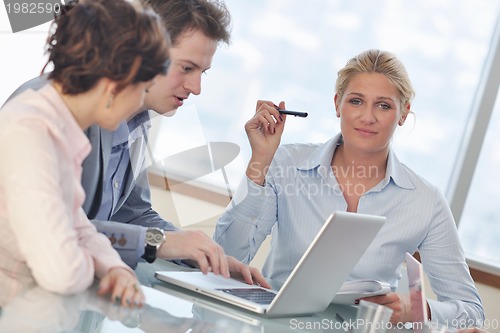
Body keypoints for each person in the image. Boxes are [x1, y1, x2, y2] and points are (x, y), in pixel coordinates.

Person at [5, 0, 268, 287]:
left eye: (202, 72)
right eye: (186, 68)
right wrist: (156, 244)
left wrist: (193, 250)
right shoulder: (55, 117)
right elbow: (65, 234)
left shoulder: (135, 121)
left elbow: (130, 216)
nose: (196, 88)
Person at [214, 49, 485, 327]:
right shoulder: (286, 163)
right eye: (356, 101)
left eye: (383, 105)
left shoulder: (425, 201)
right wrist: (260, 161)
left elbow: (472, 312)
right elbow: (225, 257)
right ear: (337, 104)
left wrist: (417, 308)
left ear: (403, 113)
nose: (367, 117)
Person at [0, 0, 170, 306]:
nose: (141, 104)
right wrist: (93, 268)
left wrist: (115, 268)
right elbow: (61, 272)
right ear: (112, 87)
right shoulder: (32, 131)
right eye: (142, 90)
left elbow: (78, 224)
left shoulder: (61, 128)